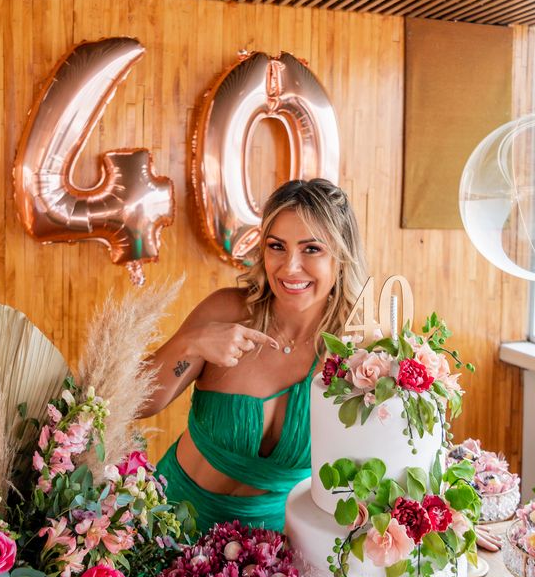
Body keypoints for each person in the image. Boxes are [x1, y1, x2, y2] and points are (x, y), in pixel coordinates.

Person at [140, 178, 368, 533]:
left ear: (340, 257)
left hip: (268, 550)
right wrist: (191, 343)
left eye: (311, 249)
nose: (290, 267)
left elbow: (385, 461)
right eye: (277, 246)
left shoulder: (361, 356)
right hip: (166, 526)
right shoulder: (227, 311)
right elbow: (139, 404)